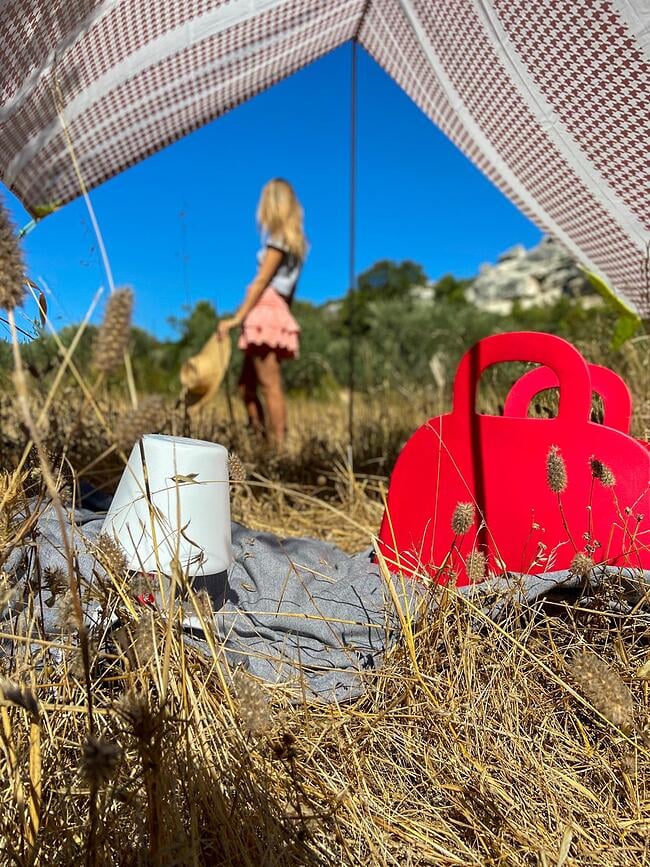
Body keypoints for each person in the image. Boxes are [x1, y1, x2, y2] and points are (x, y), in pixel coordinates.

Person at [217, 179, 307, 448]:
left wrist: (236, 317)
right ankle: (259, 440)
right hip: (275, 309)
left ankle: (276, 449)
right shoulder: (295, 244)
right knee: (246, 385)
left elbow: (261, 282)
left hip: (264, 309)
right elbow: (289, 292)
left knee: (269, 383)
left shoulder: (279, 241)